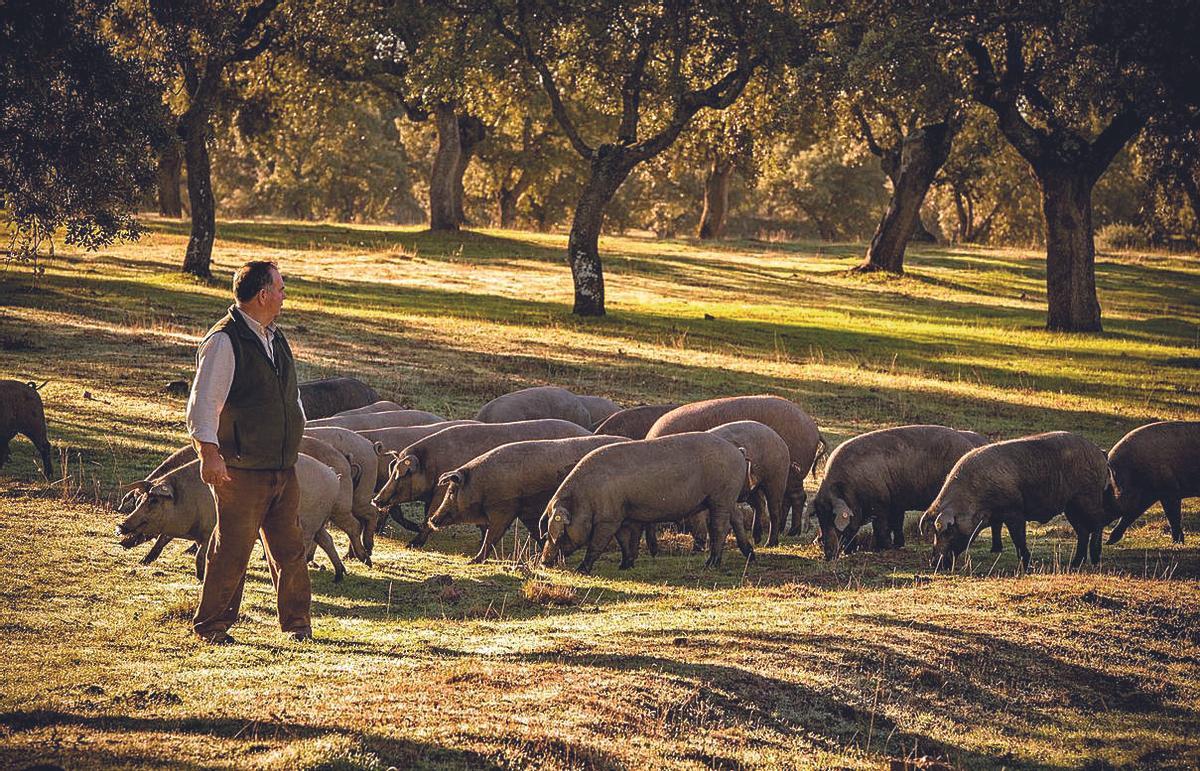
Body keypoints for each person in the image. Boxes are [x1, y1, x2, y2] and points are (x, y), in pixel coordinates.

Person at [185, 260, 311, 644]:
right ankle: (212, 626)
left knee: (291, 550)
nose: (284, 295)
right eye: (280, 288)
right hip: (240, 470)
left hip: (280, 467)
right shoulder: (224, 340)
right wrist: (208, 453)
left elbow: (291, 395)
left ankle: (297, 626)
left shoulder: (275, 337)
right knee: (232, 552)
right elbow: (203, 403)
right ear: (262, 295)